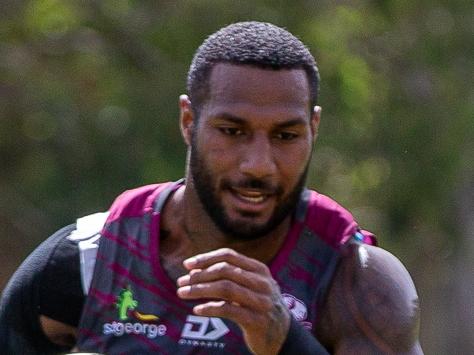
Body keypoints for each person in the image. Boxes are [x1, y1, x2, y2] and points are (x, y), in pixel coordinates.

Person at [0, 21, 422, 354]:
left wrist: (284, 341)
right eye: (232, 131)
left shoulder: (354, 278)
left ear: (313, 128)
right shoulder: (91, 260)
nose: (258, 164)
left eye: (286, 136)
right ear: (189, 121)